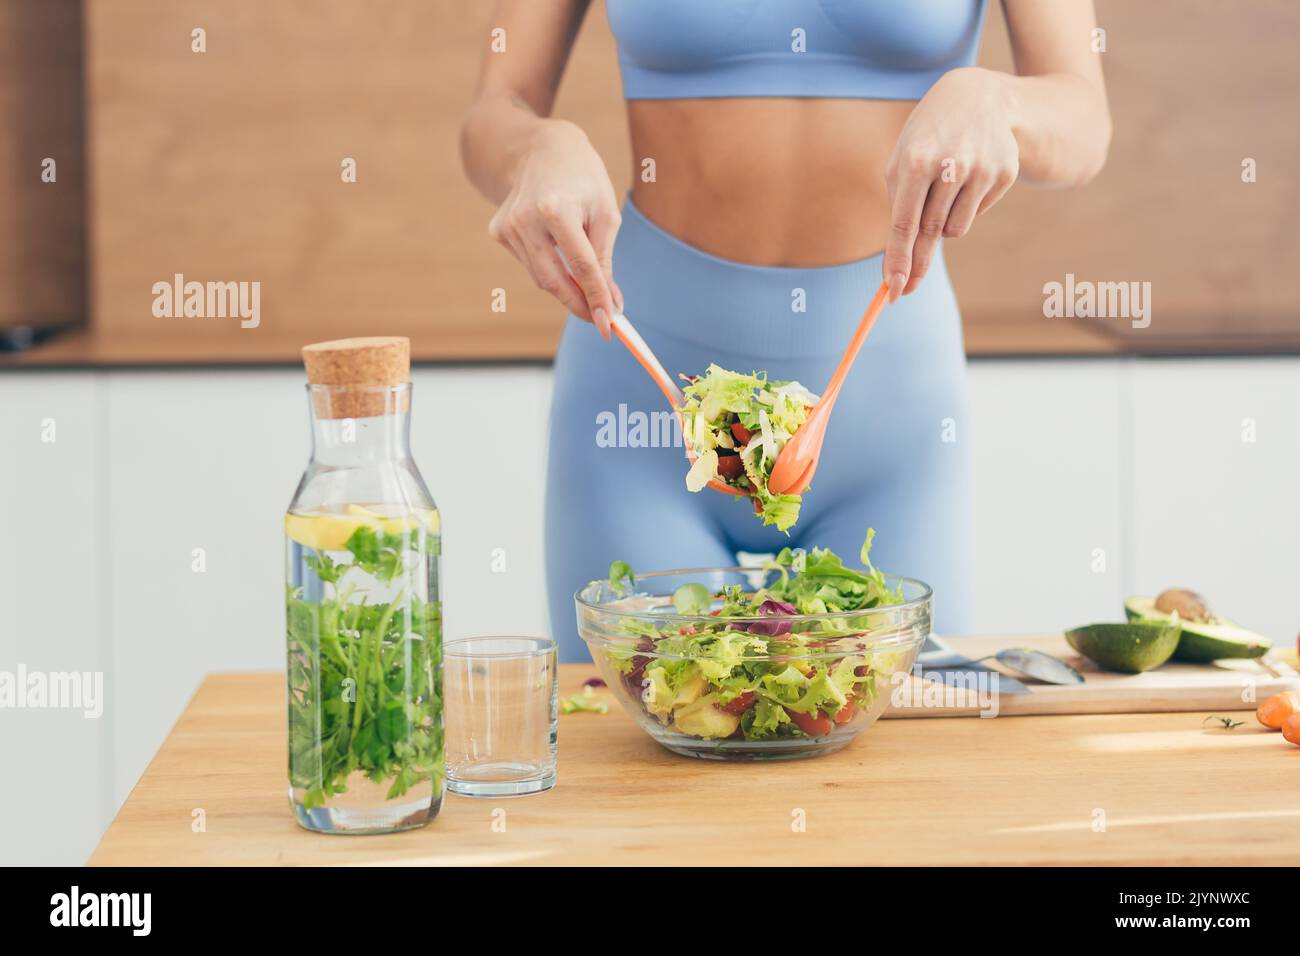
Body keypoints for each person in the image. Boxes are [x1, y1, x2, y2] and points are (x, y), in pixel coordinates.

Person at [463, 1, 1111, 660]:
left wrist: (998, 99)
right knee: (635, 745)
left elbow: (1085, 120)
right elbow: (494, 113)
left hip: (886, 416)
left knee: (907, 752)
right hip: (643, 404)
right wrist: (534, 147)